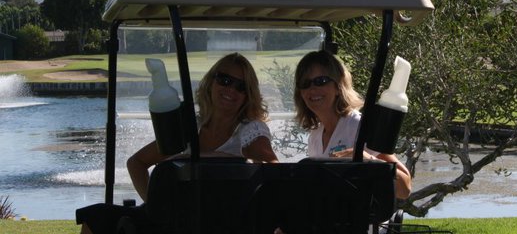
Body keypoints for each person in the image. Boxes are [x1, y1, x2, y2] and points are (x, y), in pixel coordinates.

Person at [77, 52, 278, 234]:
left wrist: (208, 159)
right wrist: (157, 207)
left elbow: (273, 169)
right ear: (211, 82)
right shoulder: (190, 127)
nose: (231, 90)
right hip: (177, 221)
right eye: (225, 80)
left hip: (223, 223)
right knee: (97, 217)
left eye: (241, 87)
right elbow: (136, 163)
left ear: (248, 95)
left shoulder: (249, 131)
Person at [293, 49, 412, 199]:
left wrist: (366, 160)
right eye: (305, 83)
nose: (312, 89)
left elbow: (405, 188)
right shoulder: (315, 136)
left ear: (338, 87)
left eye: (320, 81)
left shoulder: (358, 126)